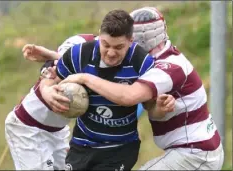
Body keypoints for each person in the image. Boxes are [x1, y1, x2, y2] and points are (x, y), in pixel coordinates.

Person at [58, 7, 224, 170]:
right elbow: (97, 41)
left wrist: (84, 78)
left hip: (195, 152)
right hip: (190, 150)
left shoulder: (166, 67)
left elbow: (128, 96)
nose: (113, 52)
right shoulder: (150, 58)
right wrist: (53, 59)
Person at [38, 9, 175, 170]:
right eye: (106, 44)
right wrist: (47, 93)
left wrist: (160, 107)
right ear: (99, 36)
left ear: (131, 41)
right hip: (82, 144)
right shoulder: (80, 54)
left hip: (120, 148)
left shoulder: (141, 62)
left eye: (118, 47)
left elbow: (150, 107)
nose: (110, 52)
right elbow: (49, 79)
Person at [4, 36, 93, 170]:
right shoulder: (81, 41)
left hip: (58, 132)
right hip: (27, 128)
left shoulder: (127, 59)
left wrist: (51, 54)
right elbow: (55, 66)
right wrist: (45, 89)